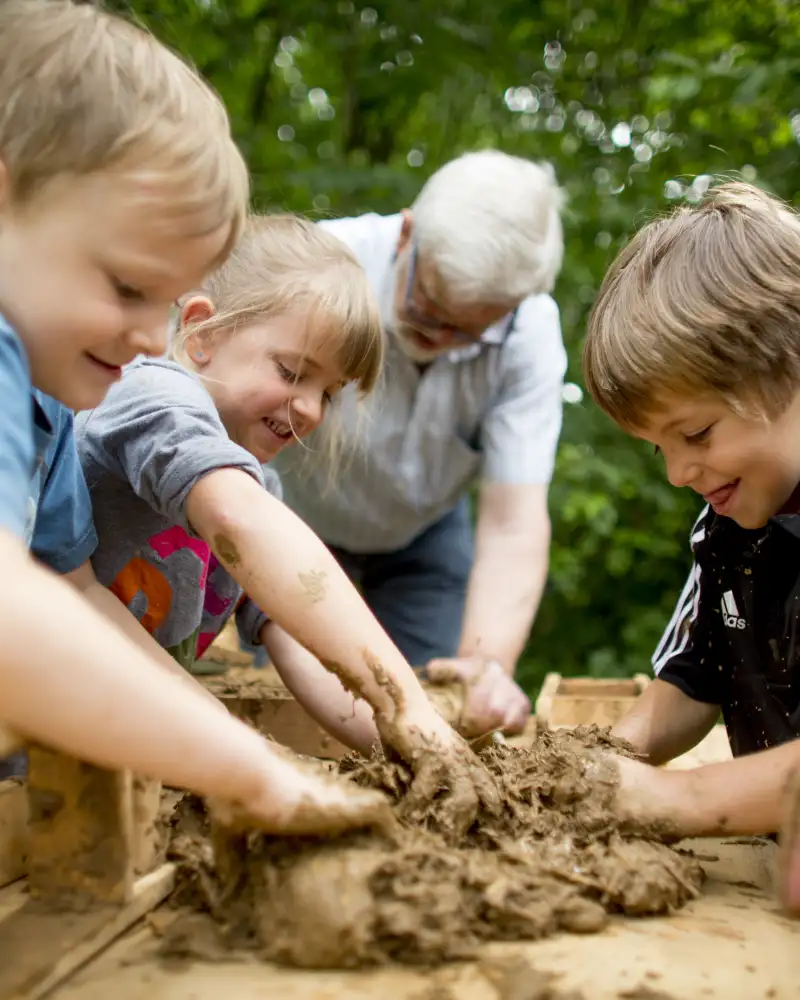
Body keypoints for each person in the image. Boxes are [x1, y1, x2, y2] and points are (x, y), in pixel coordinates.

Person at [0, 0, 390, 836]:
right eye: (129, 288)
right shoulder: (112, 384)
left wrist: (380, 730)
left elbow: (75, 594)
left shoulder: (52, 403)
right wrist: (252, 769)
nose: (152, 336)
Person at [77, 212, 498, 833]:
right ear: (201, 334)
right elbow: (236, 518)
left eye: (329, 392)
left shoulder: (258, 487)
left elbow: (298, 640)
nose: (309, 408)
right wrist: (401, 703)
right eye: (292, 372)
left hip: (122, 748)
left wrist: (406, 746)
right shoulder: (151, 396)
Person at [273, 150, 567, 738]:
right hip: (291, 519)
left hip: (423, 537)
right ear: (407, 234)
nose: (443, 339)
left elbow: (513, 524)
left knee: (434, 714)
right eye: (430, 310)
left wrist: (488, 664)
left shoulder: (529, 331)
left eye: (472, 329)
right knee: (287, 710)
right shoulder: (320, 269)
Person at [582, 180, 800, 912]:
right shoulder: (726, 534)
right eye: (658, 450)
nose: (680, 473)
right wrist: (607, 761)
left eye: (697, 434)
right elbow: (694, 674)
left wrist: (679, 800)